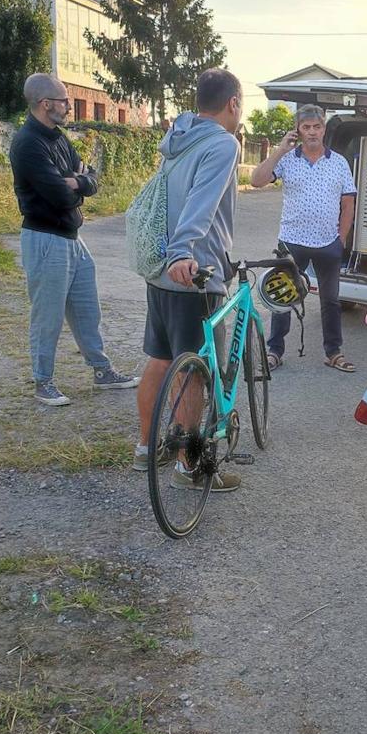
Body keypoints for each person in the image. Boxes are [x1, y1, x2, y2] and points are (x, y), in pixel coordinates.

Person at [132, 68, 244, 493]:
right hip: (193, 273)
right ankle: (189, 467)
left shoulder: (180, 136)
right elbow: (201, 203)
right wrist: (184, 251)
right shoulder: (221, 144)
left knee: (162, 360)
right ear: (233, 103)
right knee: (194, 372)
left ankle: (146, 449)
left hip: (160, 273)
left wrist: (171, 254)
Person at [9, 73, 137, 406]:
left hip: (71, 237)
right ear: (45, 103)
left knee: (86, 308)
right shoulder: (28, 144)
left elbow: (91, 177)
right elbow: (60, 196)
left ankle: (101, 370)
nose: (69, 106)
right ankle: (43, 381)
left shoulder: (59, 138)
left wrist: (76, 182)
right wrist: (77, 184)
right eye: (64, 101)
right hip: (45, 237)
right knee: (47, 315)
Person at [250, 104, 358, 373]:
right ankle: (275, 351)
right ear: (298, 129)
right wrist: (280, 150)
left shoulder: (339, 162)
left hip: (327, 243)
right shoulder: (287, 159)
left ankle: (333, 352)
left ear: (324, 129)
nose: (312, 132)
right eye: (306, 127)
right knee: (283, 296)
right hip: (292, 241)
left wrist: (340, 239)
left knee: (331, 301)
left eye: (317, 127)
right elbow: (256, 180)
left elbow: (348, 204)